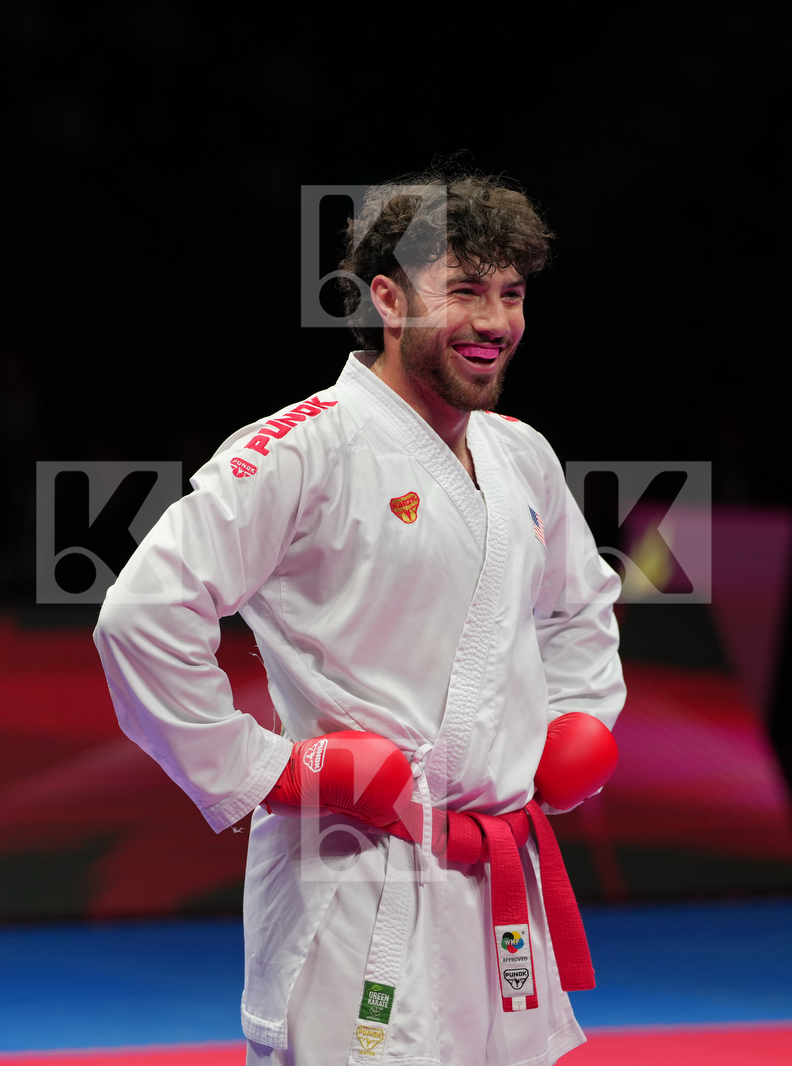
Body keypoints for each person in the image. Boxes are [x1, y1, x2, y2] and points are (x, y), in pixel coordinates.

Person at [94, 169, 625, 1065]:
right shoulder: (305, 448)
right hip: (354, 880)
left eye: (511, 294)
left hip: (497, 883)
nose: (495, 323)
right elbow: (141, 615)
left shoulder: (521, 455)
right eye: (463, 291)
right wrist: (274, 768)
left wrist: (579, 717)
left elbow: (578, 604)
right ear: (386, 297)